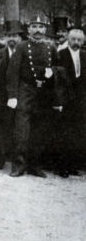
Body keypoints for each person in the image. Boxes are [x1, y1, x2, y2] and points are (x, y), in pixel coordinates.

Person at [6, 14, 59, 177]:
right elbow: (12, 72)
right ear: (29, 29)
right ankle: (19, 165)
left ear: (45, 29)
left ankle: (35, 165)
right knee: (22, 131)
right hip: (25, 91)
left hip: (42, 95)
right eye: (34, 27)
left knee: (39, 132)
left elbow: (59, 71)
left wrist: (53, 73)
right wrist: (12, 95)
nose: (38, 30)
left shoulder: (51, 48)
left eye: (41, 27)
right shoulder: (22, 47)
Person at [0, 20, 22, 170]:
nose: (12, 39)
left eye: (15, 35)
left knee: (18, 129)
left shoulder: (24, 54)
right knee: (0, 129)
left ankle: (16, 159)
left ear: (20, 38)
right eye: (9, 35)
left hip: (20, 98)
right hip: (1, 98)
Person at [54, 28, 86, 177]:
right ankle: (61, 166)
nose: (76, 43)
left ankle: (73, 165)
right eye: (73, 39)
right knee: (63, 134)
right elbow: (57, 81)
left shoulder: (85, 56)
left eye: (79, 40)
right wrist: (58, 101)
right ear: (68, 39)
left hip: (80, 102)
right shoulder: (60, 55)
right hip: (65, 100)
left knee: (77, 133)